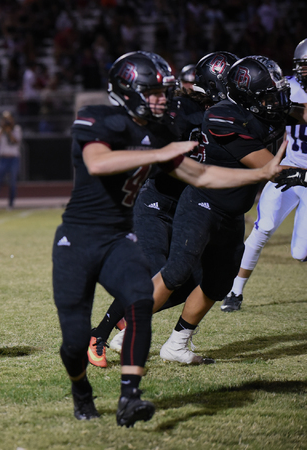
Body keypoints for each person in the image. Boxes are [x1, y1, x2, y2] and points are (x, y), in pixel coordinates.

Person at [53, 51, 284, 426]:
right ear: (126, 90)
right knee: (73, 342)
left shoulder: (162, 130)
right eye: (154, 91)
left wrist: (263, 174)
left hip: (121, 234)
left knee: (156, 288)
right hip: (81, 236)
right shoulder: (96, 116)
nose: (165, 98)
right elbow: (97, 162)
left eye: (165, 91)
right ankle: (82, 389)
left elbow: (205, 177)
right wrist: (160, 152)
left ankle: (130, 397)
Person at [87, 51, 239, 368]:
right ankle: (97, 336)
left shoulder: (230, 115)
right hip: (157, 201)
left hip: (191, 204)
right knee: (154, 270)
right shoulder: (180, 110)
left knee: (197, 279)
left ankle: (140, 325)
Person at [153, 56, 298, 364]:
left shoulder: (264, 108)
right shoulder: (224, 116)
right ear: (247, 97)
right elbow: (269, 168)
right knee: (177, 272)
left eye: (277, 93)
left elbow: (298, 111)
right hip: (203, 203)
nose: (276, 101)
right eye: (267, 96)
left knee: (218, 283)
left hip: (233, 212)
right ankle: (117, 328)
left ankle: (177, 345)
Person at [222, 39, 307, 312]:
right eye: (304, 67)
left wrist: (288, 108)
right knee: (264, 227)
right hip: (286, 170)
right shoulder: (286, 85)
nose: (306, 73)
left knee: (300, 253)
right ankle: (234, 292)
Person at [0, 111, 22, 211]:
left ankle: (11, 204)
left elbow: (15, 141)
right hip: (2, 158)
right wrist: (2, 130)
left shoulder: (17, 129)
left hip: (13, 158)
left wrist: (9, 131)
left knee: (12, 183)